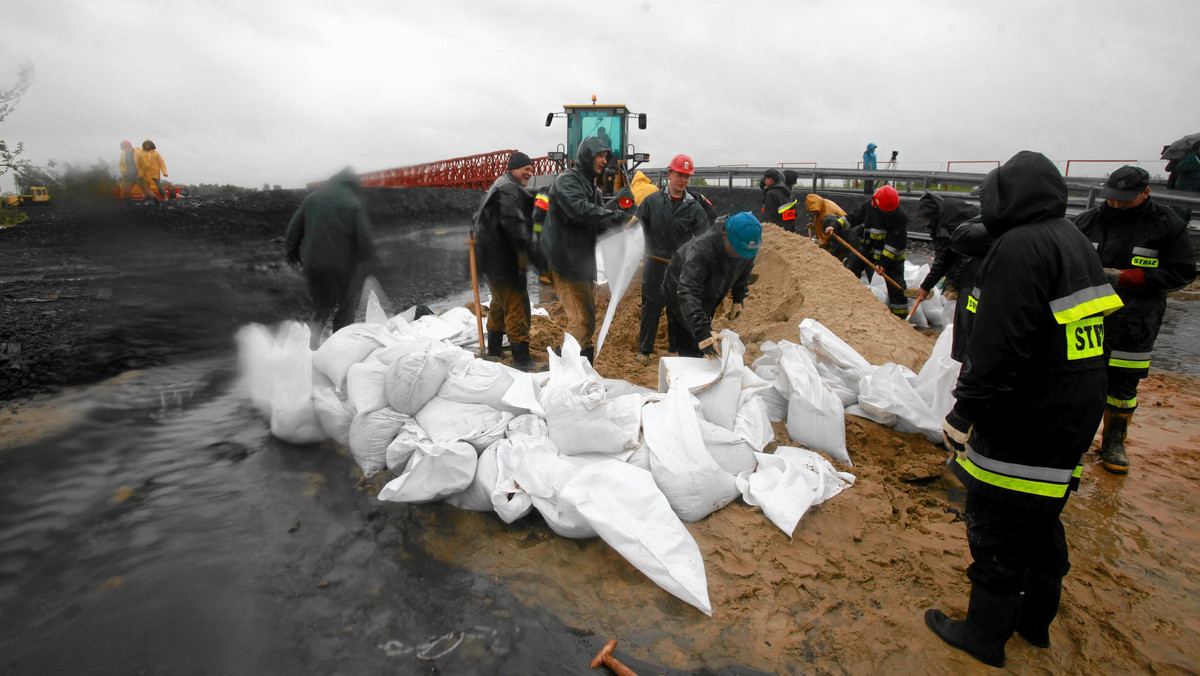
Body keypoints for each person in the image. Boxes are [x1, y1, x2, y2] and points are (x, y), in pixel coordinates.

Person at [928, 151, 1124, 668]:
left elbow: (1000, 345)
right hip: (1072, 410)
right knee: (1042, 516)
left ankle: (984, 636)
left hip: (1026, 415)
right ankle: (1035, 625)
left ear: (1007, 196)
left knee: (997, 520)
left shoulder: (1018, 248)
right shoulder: (1073, 240)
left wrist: (965, 412)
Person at [1073, 165, 1196, 474]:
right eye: (1112, 198)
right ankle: (1077, 440)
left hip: (1136, 320)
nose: (1115, 204)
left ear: (1145, 193)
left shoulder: (1166, 225)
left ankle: (1114, 442)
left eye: (1124, 199)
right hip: (1089, 318)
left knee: (1123, 386)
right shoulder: (1088, 222)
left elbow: (1182, 272)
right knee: (1082, 381)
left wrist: (1127, 277)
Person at [539, 136, 633, 364]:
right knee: (581, 320)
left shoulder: (595, 190)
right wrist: (618, 217)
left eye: (606, 157)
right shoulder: (567, 180)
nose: (604, 161)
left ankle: (582, 363)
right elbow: (579, 210)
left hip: (579, 261)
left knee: (587, 319)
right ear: (587, 156)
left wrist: (627, 227)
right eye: (600, 156)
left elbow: (596, 226)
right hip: (564, 260)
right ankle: (562, 369)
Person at [284, 167, 377, 347]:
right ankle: (337, 349)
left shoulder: (311, 199)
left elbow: (294, 229)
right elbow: (364, 238)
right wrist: (370, 263)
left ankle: (310, 349)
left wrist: (291, 252)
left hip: (315, 266)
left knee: (320, 306)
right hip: (344, 267)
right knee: (346, 308)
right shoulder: (352, 202)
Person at [635, 154, 709, 363]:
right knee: (651, 305)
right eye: (679, 175)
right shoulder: (651, 202)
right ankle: (645, 350)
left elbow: (703, 238)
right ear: (670, 174)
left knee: (677, 307)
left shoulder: (694, 207)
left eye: (687, 177)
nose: (683, 180)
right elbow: (636, 228)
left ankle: (675, 349)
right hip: (654, 263)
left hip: (679, 267)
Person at [474, 151, 540, 372]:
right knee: (517, 305)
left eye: (532, 170)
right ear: (513, 168)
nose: (529, 174)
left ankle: (493, 350)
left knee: (499, 303)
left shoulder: (499, 185)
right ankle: (522, 361)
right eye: (526, 169)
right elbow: (515, 230)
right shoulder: (509, 190)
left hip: (490, 258)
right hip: (502, 259)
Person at [664, 212, 760, 358]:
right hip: (679, 287)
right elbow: (687, 292)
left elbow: (743, 272)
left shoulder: (744, 248)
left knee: (705, 314)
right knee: (687, 331)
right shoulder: (701, 251)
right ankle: (682, 354)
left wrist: (738, 299)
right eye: (737, 250)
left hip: (710, 287)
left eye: (745, 253)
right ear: (724, 235)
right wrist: (703, 332)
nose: (741, 256)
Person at [826, 185, 909, 318]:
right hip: (869, 248)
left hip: (892, 256)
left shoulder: (900, 216)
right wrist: (835, 226)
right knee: (850, 270)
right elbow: (851, 218)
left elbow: (893, 243)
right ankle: (847, 303)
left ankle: (900, 318)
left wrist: (884, 263)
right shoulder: (868, 206)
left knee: (897, 286)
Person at [913, 192, 979, 305]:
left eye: (926, 218)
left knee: (965, 293)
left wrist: (925, 287)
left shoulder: (945, 224)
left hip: (975, 251)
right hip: (974, 244)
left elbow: (942, 260)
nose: (926, 222)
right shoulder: (946, 209)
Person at [1166, 141, 1199, 222]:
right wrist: (1197, 165)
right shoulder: (1190, 156)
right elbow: (1181, 167)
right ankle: (1178, 226)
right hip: (1185, 187)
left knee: (1187, 211)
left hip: (1193, 187)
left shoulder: (1196, 157)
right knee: (1182, 211)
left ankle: (1183, 225)